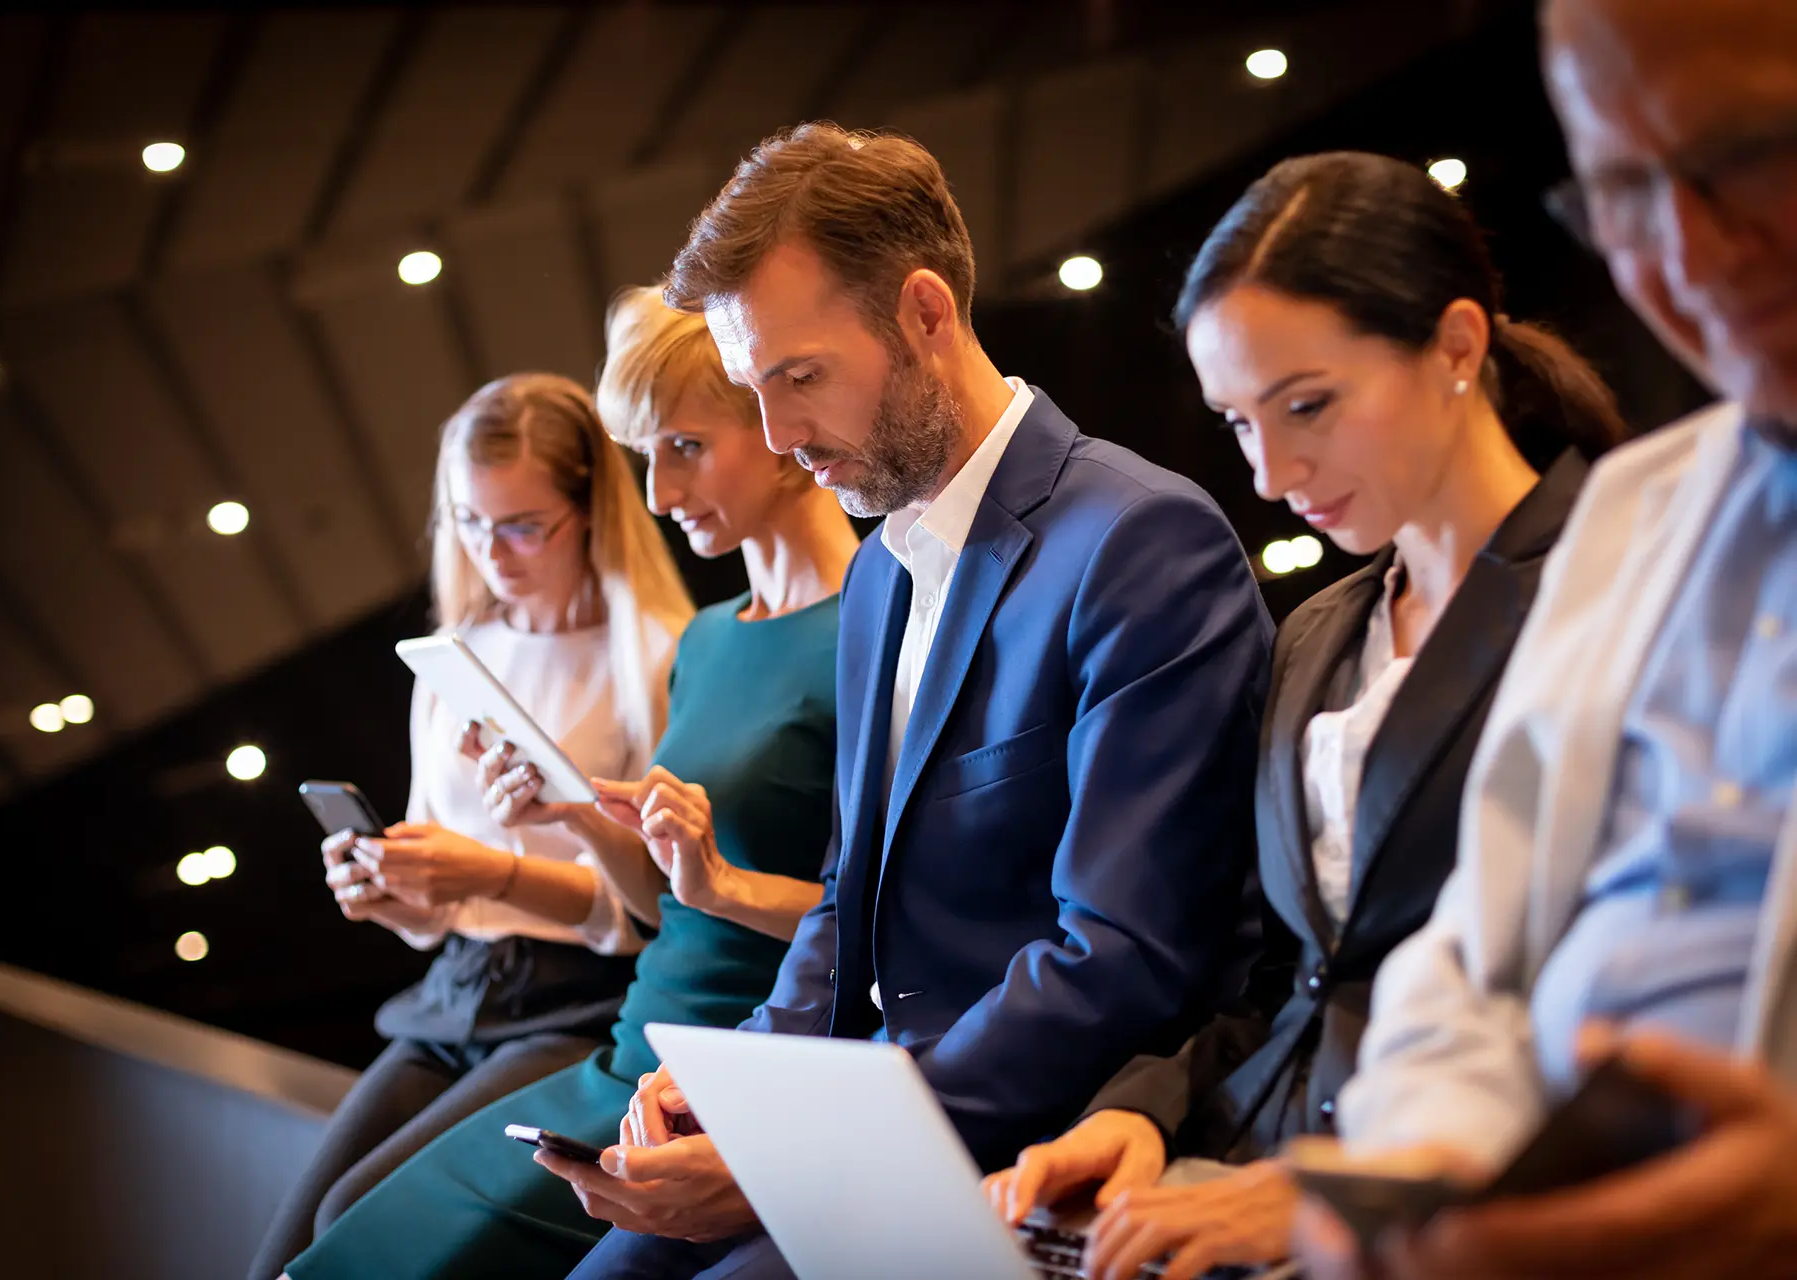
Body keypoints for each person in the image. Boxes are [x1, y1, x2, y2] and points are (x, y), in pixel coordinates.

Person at [539, 123, 1274, 1280]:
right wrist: (746, 1075)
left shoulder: (1139, 541)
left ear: (926, 313)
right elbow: (848, 899)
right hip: (866, 1114)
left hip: (1024, 1141)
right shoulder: (880, 567)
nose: (778, 437)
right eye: (753, 389)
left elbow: (1118, 955)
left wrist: (795, 1147)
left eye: (800, 376)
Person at [982, 151, 1628, 1280]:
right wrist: (1144, 1112)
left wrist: (1336, 1193)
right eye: (1237, 424)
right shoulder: (1319, 632)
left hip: (1459, 1209)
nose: (1273, 473)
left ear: (1459, 346)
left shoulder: (1614, 585)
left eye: (1309, 405)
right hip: (1239, 1168)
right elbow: (1284, 978)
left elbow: (1617, 1003)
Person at [1292, 1, 1797, 1277]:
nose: (1688, 252)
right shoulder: (1643, 506)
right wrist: (1437, 1165)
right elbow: (1474, 953)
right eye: (1625, 188)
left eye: (1751, 148)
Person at [279, 285, 859, 1280]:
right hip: (636, 1028)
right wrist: (574, 813)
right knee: (337, 1244)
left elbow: (878, 917)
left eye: (684, 448)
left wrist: (709, 881)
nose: (665, 495)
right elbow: (657, 906)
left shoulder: (866, 630)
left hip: (716, 1052)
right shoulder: (713, 642)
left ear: (777, 423)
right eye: (650, 457)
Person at [249, 374, 693, 1279]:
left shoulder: (656, 654)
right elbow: (437, 905)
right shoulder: (453, 657)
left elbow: (656, 904)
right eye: (470, 523)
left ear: (592, 509)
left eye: (524, 525)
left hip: (581, 1002)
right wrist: (392, 892)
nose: (496, 553)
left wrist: (486, 875)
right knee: (284, 1248)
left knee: (350, 1227)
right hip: (459, 989)